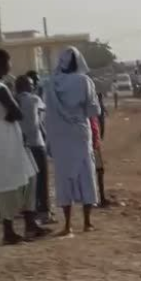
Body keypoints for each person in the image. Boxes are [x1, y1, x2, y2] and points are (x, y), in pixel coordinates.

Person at [0, 50, 47, 244]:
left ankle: (29, 223)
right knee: (11, 185)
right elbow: (17, 113)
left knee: (27, 179)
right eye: (10, 62)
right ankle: (10, 231)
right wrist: (10, 115)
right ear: (3, 63)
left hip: (0, 143)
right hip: (6, 144)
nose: (11, 66)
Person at [44, 47, 102, 236]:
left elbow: (48, 114)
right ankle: (87, 222)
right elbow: (93, 110)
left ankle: (67, 224)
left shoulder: (51, 83)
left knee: (63, 178)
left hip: (59, 135)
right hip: (80, 133)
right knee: (86, 174)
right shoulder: (84, 81)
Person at [16, 75, 52, 224]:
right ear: (26, 86)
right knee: (42, 179)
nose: (33, 86)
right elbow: (45, 110)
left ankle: (28, 210)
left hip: (21, 146)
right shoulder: (34, 99)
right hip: (37, 144)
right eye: (31, 84)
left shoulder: (13, 100)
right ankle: (43, 211)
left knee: (26, 182)